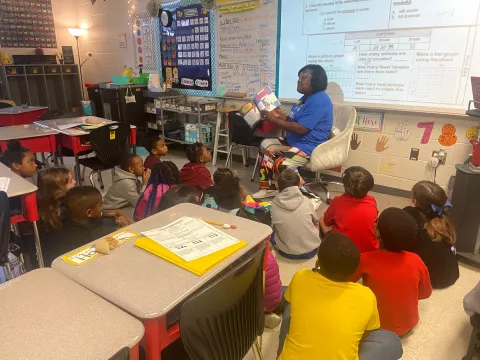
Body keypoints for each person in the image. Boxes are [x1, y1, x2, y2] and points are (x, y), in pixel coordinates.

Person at [278, 233, 403, 360]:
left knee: (290, 306)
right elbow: (366, 334)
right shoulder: (366, 295)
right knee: (391, 341)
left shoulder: (301, 277)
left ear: (317, 262)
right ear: (354, 271)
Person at [351, 208, 433, 336]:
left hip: (376, 328)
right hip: (408, 325)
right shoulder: (416, 260)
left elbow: (345, 282)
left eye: (376, 222)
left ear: (377, 232)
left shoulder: (365, 259)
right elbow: (425, 293)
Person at [256, 64, 333, 196]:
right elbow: (295, 119)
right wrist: (279, 115)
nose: (299, 80)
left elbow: (300, 128)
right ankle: (269, 188)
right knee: (265, 145)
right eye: (299, 76)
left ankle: (308, 198)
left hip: (309, 146)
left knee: (284, 164)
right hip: (296, 142)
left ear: (316, 80)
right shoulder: (305, 98)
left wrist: (273, 120)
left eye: (304, 77)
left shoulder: (319, 100)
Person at [42, 186, 119, 266]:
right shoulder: (96, 234)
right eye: (100, 206)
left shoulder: (59, 223)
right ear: (89, 212)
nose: (101, 208)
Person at [37, 167, 131, 232]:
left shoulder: (48, 208)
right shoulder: (68, 210)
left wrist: (113, 213)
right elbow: (92, 225)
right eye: (70, 181)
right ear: (58, 189)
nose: (75, 182)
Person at [403, 180, 459, 289]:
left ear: (414, 200)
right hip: (451, 274)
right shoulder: (445, 217)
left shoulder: (409, 215)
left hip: (429, 280)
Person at [236, 205, 283, 329]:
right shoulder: (268, 255)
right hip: (273, 299)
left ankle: (261, 315)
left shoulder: (243, 258)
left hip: (260, 303)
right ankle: (265, 313)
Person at [320, 166, 378, 252]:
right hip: (370, 249)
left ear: (345, 186)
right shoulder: (372, 201)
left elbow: (327, 221)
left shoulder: (337, 201)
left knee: (321, 219)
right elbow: (375, 220)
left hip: (344, 251)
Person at [270, 169, 320, 259]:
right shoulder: (306, 201)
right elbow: (316, 222)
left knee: (271, 232)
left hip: (287, 252)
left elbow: (271, 228)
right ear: (299, 185)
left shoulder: (272, 206)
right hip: (312, 250)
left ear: (277, 185)